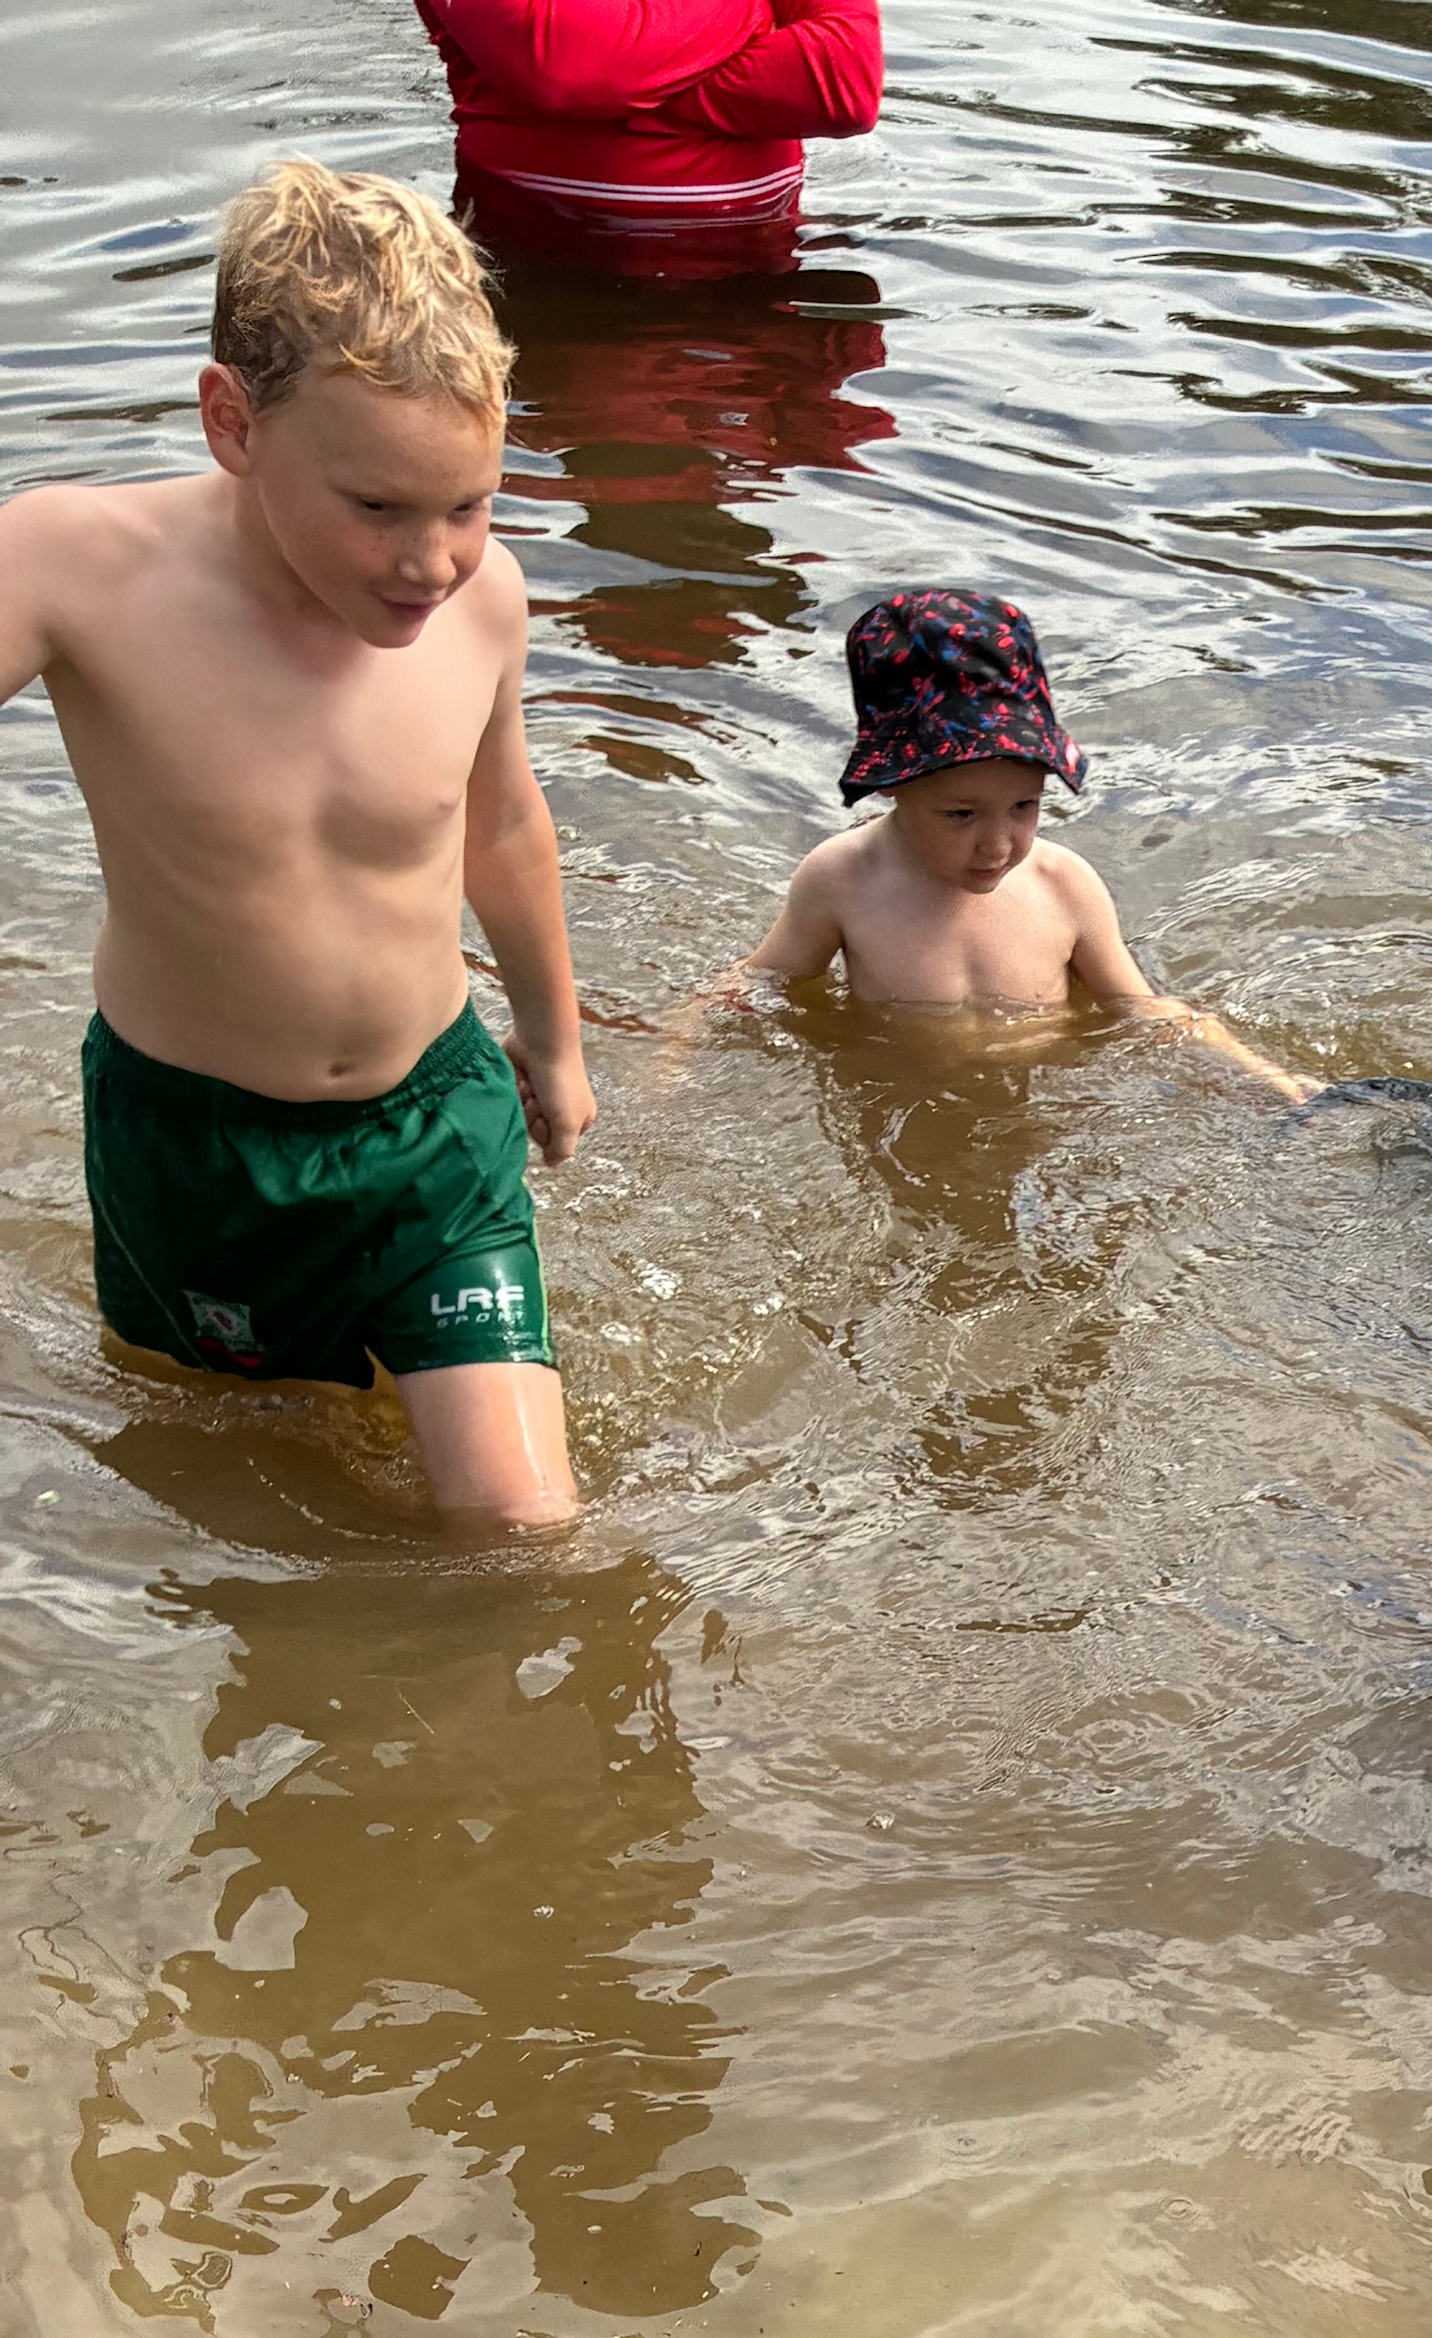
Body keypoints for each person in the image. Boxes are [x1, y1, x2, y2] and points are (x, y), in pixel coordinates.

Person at [0, 163, 590, 1528]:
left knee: (520, 1526)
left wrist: (554, 1040)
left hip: (432, 1128)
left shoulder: (484, 600)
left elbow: (501, 821)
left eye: (469, 505)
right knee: (236, 1501)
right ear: (233, 422)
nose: (431, 561)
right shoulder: (80, 566)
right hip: (193, 1145)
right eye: (377, 508)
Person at [685, 589, 1309, 1079]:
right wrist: (674, 1048)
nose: (999, 844)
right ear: (892, 785)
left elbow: (1139, 1009)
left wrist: (1263, 1076)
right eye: (962, 815)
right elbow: (764, 981)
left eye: (1023, 806)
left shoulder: (1064, 885)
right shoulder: (844, 880)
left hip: (1041, 1095)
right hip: (903, 1087)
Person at [413, 0, 882, 289]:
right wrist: (750, 10)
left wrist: (628, 96)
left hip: (763, 266)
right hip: (542, 268)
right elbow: (560, 68)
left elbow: (844, 83)